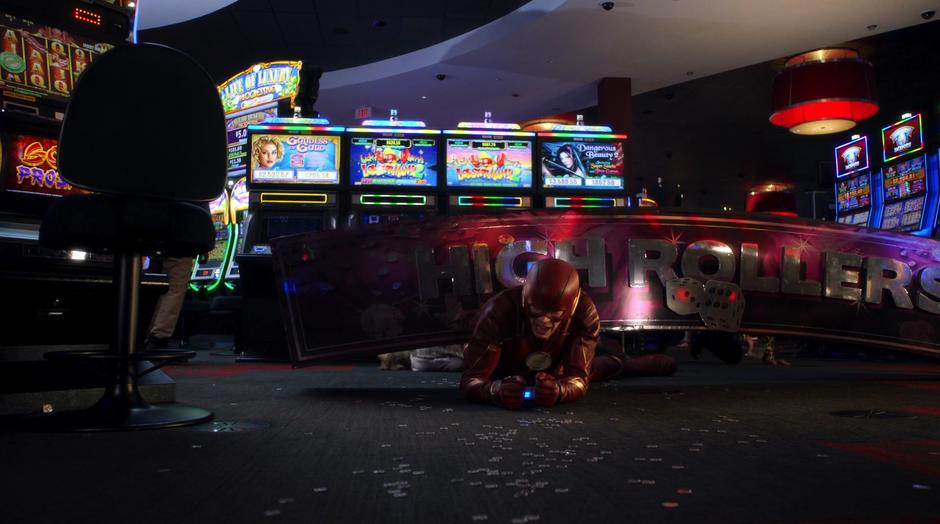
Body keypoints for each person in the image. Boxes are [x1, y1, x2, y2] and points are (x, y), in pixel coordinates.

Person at [460, 258, 676, 410]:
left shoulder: (584, 312)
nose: (544, 321)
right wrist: (495, 390)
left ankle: (630, 363)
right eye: (537, 312)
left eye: (553, 315)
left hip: (556, 370)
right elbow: (471, 381)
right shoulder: (498, 311)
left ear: (571, 308)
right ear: (525, 299)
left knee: (603, 367)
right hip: (505, 371)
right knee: (599, 367)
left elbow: (579, 378)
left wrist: (559, 390)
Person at [144, 256, 196, 349]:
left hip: (155, 247)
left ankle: (150, 336)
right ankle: (158, 337)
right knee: (175, 288)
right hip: (178, 247)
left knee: (162, 288)